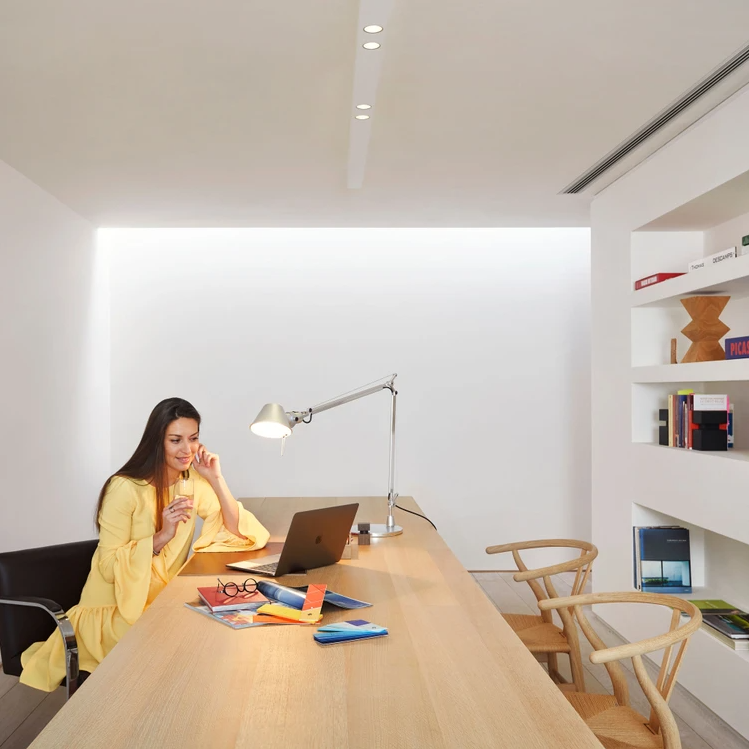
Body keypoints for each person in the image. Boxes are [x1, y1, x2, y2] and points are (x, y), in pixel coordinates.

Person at [20, 397, 270, 692]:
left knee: (225, 627)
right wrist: (162, 536)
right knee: (192, 646)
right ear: (156, 441)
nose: (186, 450)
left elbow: (239, 531)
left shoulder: (189, 483)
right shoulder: (124, 489)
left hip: (162, 603)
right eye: (175, 440)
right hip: (115, 612)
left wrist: (216, 478)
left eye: (193, 439)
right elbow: (108, 566)